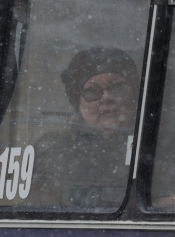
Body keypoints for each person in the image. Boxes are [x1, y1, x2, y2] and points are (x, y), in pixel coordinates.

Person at [30, 47, 140, 208]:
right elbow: (40, 211)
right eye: (92, 92)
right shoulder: (53, 149)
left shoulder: (165, 146)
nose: (107, 98)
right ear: (77, 102)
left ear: (133, 94)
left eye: (116, 88)